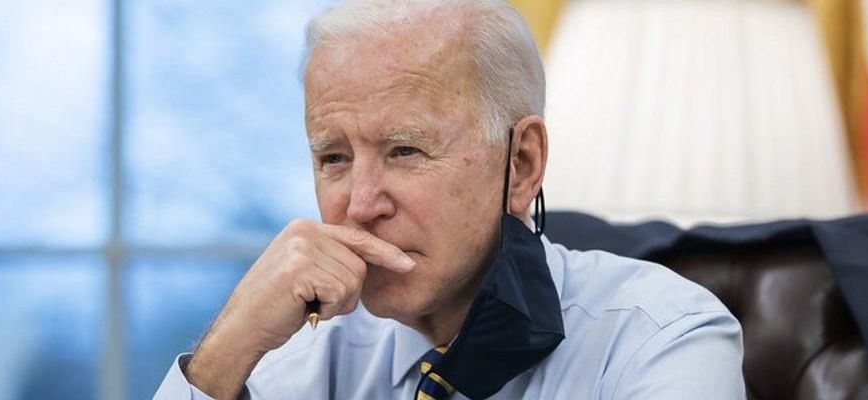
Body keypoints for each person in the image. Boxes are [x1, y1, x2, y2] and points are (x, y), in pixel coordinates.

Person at [153, 1, 744, 399]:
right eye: (333, 157)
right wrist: (223, 356)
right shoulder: (301, 353)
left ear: (522, 164)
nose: (360, 205)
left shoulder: (662, 337)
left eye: (405, 150)